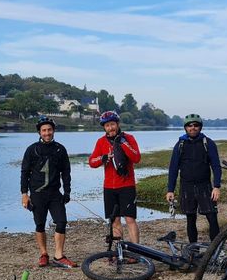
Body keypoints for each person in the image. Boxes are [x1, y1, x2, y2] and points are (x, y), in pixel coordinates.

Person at [21, 116, 75, 268]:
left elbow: (66, 172)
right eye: (44, 130)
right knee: (40, 224)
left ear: (53, 131)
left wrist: (67, 191)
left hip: (54, 193)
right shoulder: (32, 150)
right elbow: (25, 172)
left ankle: (59, 255)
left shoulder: (60, 149)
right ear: (39, 132)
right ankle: (44, 254)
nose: (47, 133)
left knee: (61, 222)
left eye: (49, 130)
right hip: (37, 193)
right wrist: (24, 194)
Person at [165, 114, 222, 244]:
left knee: (212, 217)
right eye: (190, 126)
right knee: (191, 219)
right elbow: (173, 169)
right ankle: (193, 249)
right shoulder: (180, 144)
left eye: (196, 125)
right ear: (185, 128)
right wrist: (170, 190)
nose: (193, 128)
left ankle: (217, 249)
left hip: (205, 186)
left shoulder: (208, 143)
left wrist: (217, 186)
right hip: (186, 187)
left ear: (200, 127)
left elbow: (216, 166)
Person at [88, 111, 142, 244]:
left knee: (130, 219)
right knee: (115, 220)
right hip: (109, 187)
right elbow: (91, 162)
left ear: (117, 124)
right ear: (104, 127)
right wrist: (103, 158)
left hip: (127, 185)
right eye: (107, 126)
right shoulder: (101, 142)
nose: (110, 128)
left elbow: (136, 158)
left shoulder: (129, 138)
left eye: (112, 124)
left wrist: (124, 144)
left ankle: (136, 249)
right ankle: (120, 250)